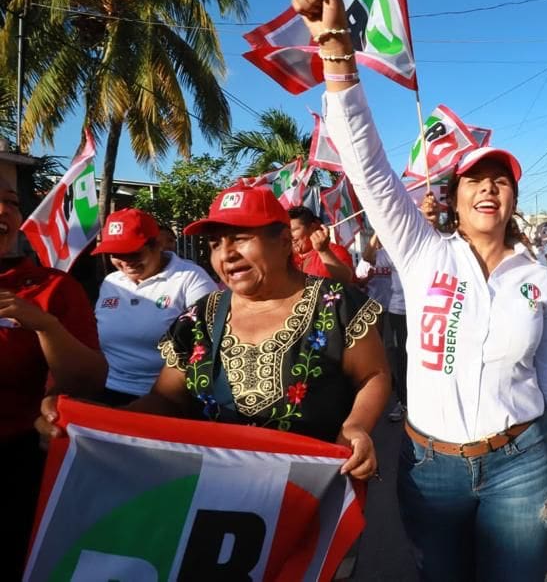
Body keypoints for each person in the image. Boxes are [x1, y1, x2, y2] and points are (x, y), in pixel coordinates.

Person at [294, 0, 547, 581]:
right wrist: (336, 55)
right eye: (475, 180)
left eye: (501, 180)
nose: (489, 187)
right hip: (432, 469)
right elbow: (370, 168)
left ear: (512, 200)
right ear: (452, 200)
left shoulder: (536, 277)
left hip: (521, 461)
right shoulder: (424, 253)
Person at [39, 183, 391, 481]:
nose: (227, 254)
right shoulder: (200, 318)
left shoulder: (335, 303)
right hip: (215, 493)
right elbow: (168, 399)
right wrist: (91, 420)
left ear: (284, 240)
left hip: (316, 488)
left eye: (239, 238)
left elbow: (372, 374)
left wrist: (356, 427)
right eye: (215, 245)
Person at [0, 177, 107, 576]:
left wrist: (46, 326)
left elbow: (88, 381)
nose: (2, 211)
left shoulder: (51, 288)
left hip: (16, 471)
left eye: (10, 202)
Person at [92, 208, 217, 406]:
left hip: (172, 398)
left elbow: (208, 343)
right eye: (116, 254)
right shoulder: (111, 282)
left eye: (133, 253)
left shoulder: (189, 278)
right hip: (111, 390)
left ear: (157, 245)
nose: (125, 262)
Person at [356, 233, 408, 422]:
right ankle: (404, 401)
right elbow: (368, 258)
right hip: (399, 311)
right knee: (400, 356)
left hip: (423, 310)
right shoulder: (391, 252)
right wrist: (378, 231)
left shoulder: (426, 246)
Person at [289, 205, 354, 282]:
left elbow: (346, 279)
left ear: (312, 227)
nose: (289, 236)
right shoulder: (287, 258)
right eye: (287, 231)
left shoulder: (334, 251)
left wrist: (324, 251)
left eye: (293, 230)